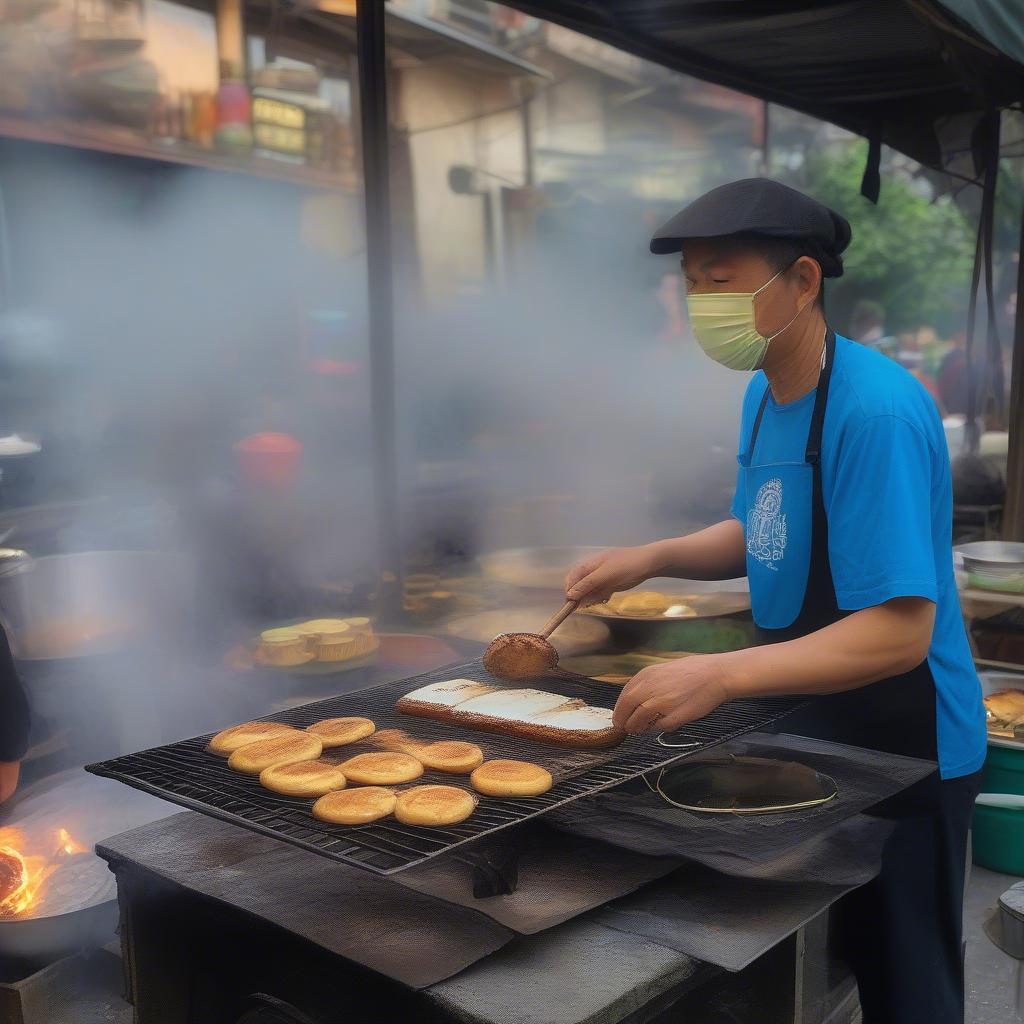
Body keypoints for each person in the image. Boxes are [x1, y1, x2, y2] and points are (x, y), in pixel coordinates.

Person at [566, 178, 984, 1024]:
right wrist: (650, 557)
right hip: (820, 723)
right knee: (829, 959)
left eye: (721, 277)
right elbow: (764, 526)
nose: (701, 300)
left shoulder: (876, 412)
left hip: (910, 744)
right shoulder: (767, 390)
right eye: (691, 281)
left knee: (909, 987)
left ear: (802, 281)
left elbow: (902, 633)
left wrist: (721, 676)